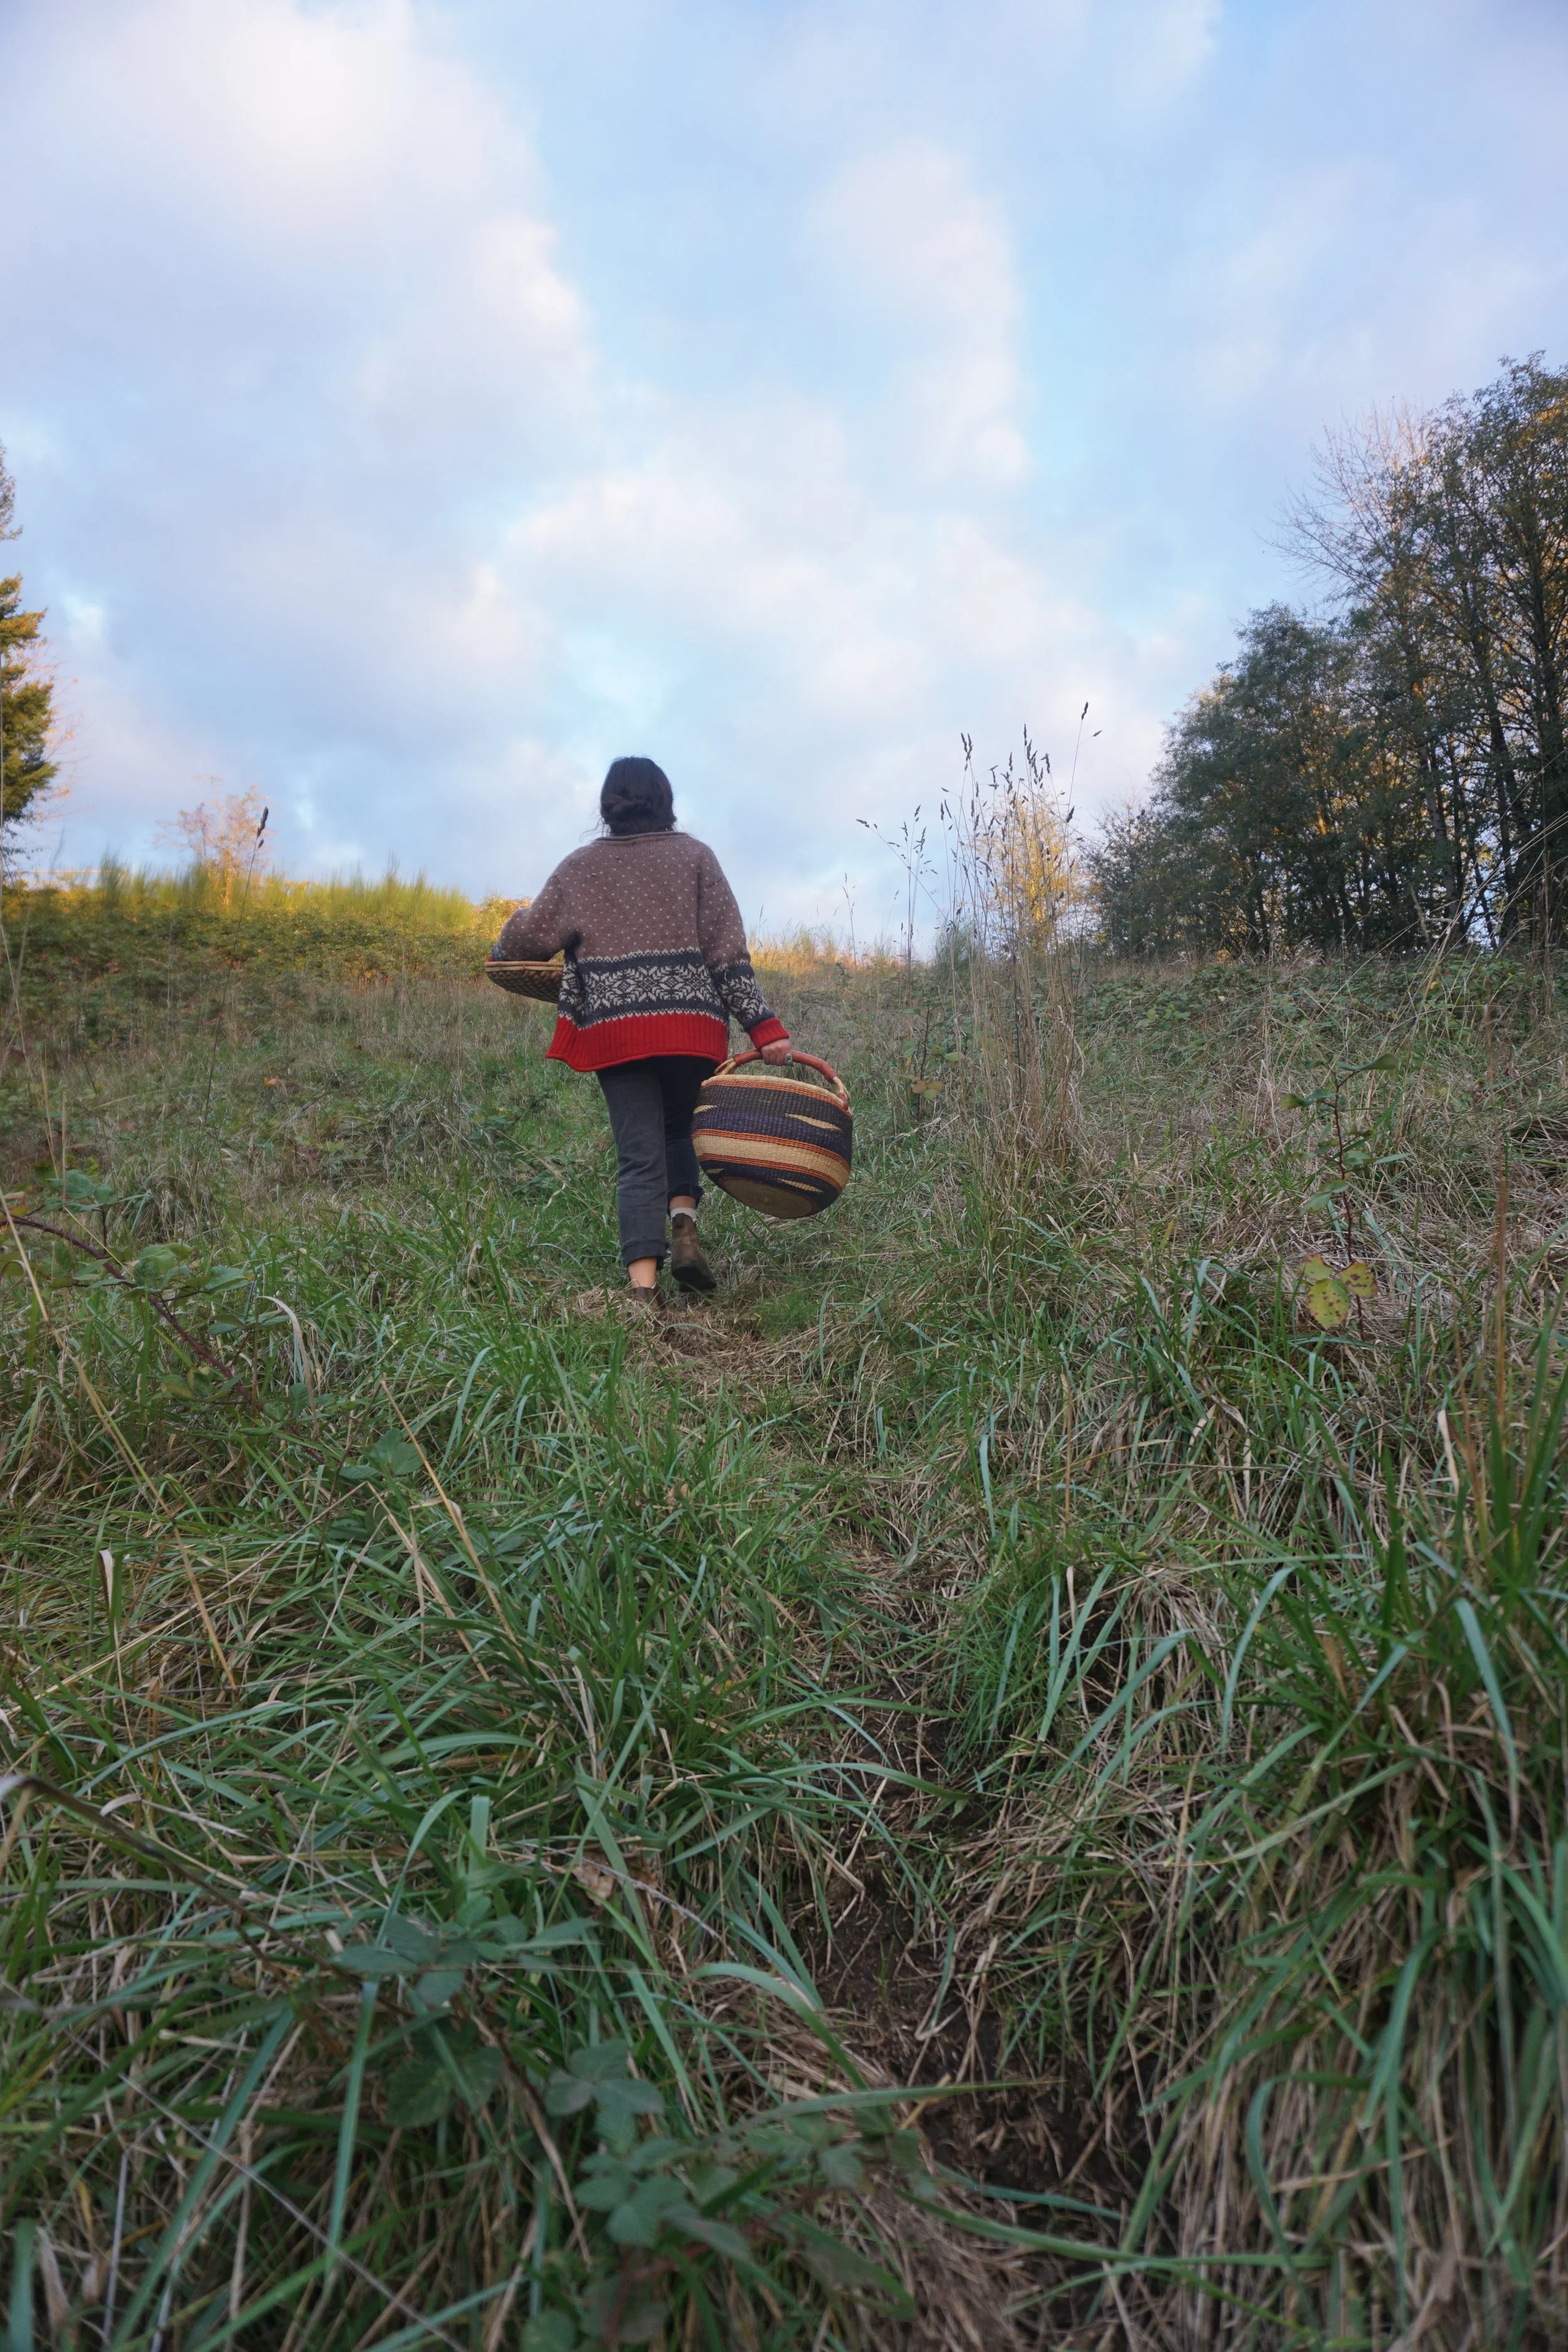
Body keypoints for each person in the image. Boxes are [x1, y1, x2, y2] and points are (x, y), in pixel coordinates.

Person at [492, 756, 790, 1302]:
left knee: (638, 1155)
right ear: (665, 800)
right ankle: (684, 1224)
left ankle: (642, 1293)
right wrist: (763, 1026)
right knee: (680, 1130)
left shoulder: (580, 867)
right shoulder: (697, 857)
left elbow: (525, 940)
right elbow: (728, 953)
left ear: (607, 806)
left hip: (618, 1032)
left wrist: (506, 931)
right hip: (691, 1029)